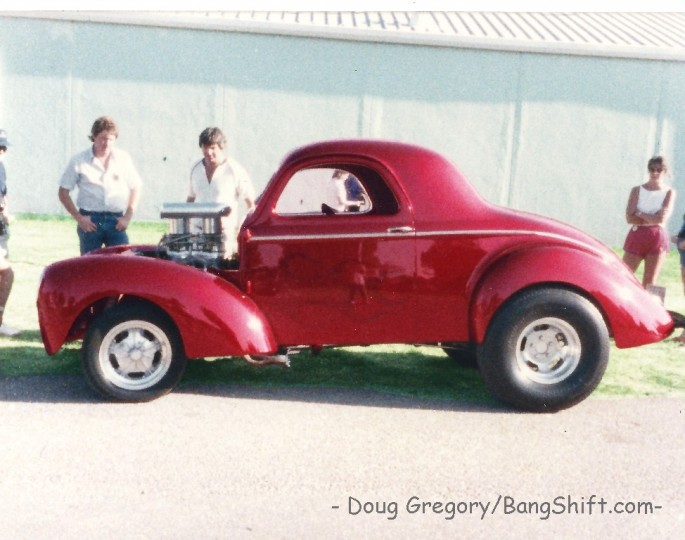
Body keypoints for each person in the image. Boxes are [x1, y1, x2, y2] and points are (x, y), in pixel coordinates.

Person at [58, 116, 142, 254]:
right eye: (102, 138)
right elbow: (63, 192)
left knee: (123, 262)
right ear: (94, 137)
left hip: (116, 222)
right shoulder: (79, 161)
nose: (106, 143)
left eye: (110, 139)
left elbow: (136, 187)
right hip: (90, 221)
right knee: (90, 266)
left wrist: (127, 217)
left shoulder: (123, 158)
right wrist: (79, 218)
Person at [187, 127, 255, 257]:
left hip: (223, 235)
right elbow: (190, 199)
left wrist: (240, 230)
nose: (208, 152)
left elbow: (250, 204)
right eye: (205, 147)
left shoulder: (234, 169)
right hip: (197, 233)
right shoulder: (195, 169)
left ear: (221, 146)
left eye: (213, 147)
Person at [622, 156, 674, 289]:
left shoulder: (668, 192)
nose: (655, 173)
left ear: (664, 171)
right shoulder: (637, 190)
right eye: (652, 169)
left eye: (659, 170)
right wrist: (651, 217)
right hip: (637, 235)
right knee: (624, 275)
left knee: (650, 282)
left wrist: (639, 213)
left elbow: (661, 219)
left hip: (656, 237)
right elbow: (629, 218)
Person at [0, 128, 20, 337]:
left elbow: (3, 195)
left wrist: (5, 210)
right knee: (6, 273)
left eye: (4, 147)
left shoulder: (1, 167)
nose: (1, 150)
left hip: (1, 228)